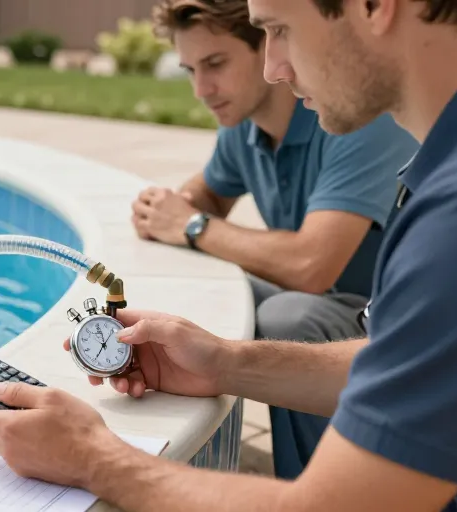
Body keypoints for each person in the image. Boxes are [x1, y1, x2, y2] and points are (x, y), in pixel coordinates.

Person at [0, 0, 457, 510]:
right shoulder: (455, 169)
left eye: (279, 29)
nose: (274, 67)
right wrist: (225, 363)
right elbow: (393, 360)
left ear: (372, 5)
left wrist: (91, 458)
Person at [129, 0, 419, 480]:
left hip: (382, 322)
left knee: (287, 314)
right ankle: (182, 445)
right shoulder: (245, 126)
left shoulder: (351, 114)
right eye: (191, 70)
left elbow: (311, 266)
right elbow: (202, 197)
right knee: (190, 286)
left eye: (216, 64)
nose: (202, 89)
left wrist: (193, 226)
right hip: (325, 305)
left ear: (267, 41)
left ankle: (314, 484)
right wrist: (172, 210)